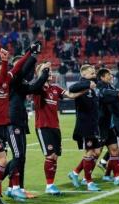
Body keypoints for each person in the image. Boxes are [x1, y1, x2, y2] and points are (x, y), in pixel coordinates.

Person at [0, 43, 36, 204]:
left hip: (3, 126)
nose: (2, 74)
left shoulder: (6, 81)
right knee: (0, 161)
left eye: (2, 70)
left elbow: (19, 66)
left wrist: (29, 52)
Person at [32, 62, 85, 194]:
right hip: (43, 126)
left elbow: (71, 95)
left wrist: (87, 88)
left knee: (55, 156)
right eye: (45, 71)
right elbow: (38, 84)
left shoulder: (55, 88)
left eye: (49, 71)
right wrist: (42, 75)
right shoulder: (37, 88)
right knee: (50, 156)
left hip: (55, 126)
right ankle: (49, 186)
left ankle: (52, 184)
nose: (49, 73)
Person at [6, 40, 47, 200]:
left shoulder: (20, 84)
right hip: (12, 121)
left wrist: (44, 74)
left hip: (20, 121)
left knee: (21, 156)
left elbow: (34, 88)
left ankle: (17, 188)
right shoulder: (11, 79)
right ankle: (10, 185)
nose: (23, 68)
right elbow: (22, 72)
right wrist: (33, 55)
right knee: (18, 156)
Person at [67, 65, 103, 191]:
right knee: (89, 152)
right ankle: (89, 182)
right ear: (83, 75)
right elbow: (71, 88)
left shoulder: (93, 88)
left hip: (94, 125)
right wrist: (88, 84)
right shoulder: (82, 85)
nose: (94, 73)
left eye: (94, 71)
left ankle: (75, 172)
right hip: (84, 126)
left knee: (97, 152)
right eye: (91, 72)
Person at [96, 68, 119, 186]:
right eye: (108, 75)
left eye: (111, 74)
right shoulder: (100, 87)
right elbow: (104, 93)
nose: (111, 76)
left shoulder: (110, 87)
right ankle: (79, 174)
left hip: (109, 126)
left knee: (115, 151)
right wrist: (118, 93)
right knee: (95, 153)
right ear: (102, 77)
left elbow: (114, 92)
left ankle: (116, 178)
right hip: (101, 125)